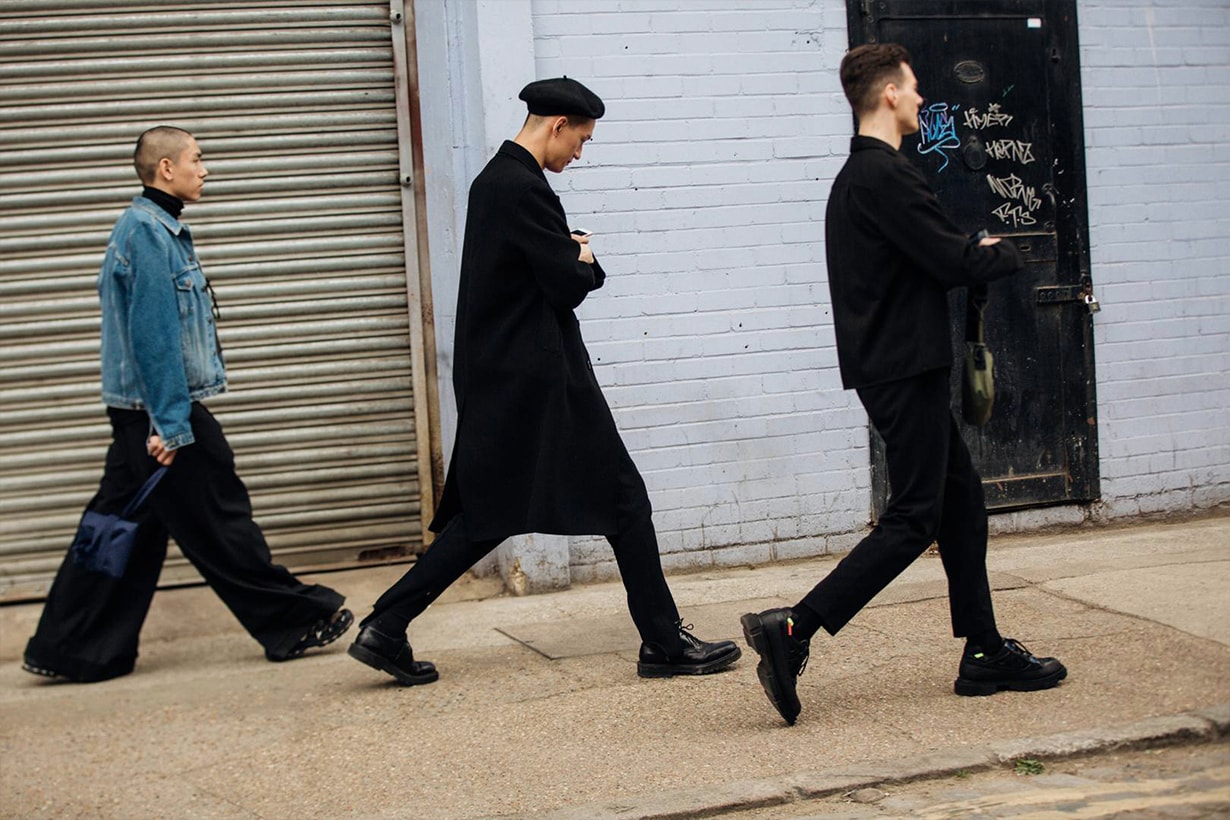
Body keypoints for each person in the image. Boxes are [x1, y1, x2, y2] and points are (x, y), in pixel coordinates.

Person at [348, 78, 741, 685]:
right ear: (556, 124)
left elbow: (539, 272)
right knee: (626, 502)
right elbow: (565, 284)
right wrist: (581, 255)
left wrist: (573, 255)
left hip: (507, 379)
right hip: (542, 382)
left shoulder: (494, 182)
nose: (579, 155)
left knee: (488, 514)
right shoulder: (522, 186)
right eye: (580, 141)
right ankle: (663, 645)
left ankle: (387, 625)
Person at [741, 44, 1066, 725]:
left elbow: (923, 255)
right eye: (914, 88)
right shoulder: (883, 176)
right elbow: (949, 257)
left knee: (961, 503)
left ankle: (983, 651)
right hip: (903, 367)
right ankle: (794, 628)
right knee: (916, 514)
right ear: (889, 94)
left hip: (898, 364)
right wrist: (1000, 252)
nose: (921, 99)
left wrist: (963, 254)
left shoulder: (865, 179)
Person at [22, 126, 352, 683]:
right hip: (159, 411)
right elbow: (154, 339)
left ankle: (71, 647)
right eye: (197, 160)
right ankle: (292, 619)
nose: (206, 169)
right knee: (220, 518)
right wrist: (171, 426)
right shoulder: (148, 233)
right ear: (166, 169)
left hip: (143, 410)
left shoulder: (156, 228)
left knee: (124, 525)